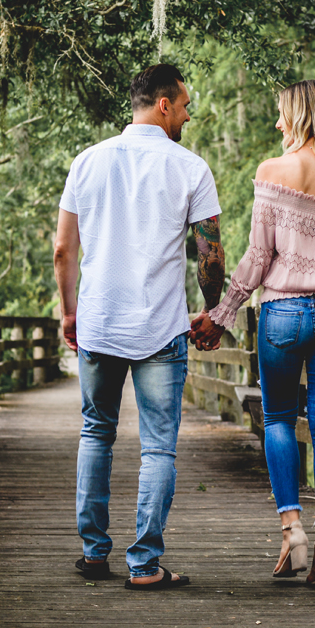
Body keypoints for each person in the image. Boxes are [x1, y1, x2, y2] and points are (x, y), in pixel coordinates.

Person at [192, 79, 315, 590]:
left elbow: (257, 259)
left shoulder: (273, 172)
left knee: (276, 418)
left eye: (281, 115)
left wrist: (221, 314)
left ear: (301, 116)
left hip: (284, 315)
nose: (277, 125)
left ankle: (292, 529)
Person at [53, 63, 225, 590]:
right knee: (158, 447)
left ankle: (92, 553)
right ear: (164, 104)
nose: (190, 115)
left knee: (96, 432)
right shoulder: (190, 168)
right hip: (160, 327)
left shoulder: (86, 162)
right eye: (186, 104)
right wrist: (210, 309)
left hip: (100, 323)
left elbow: (63, 248)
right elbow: (210, 254)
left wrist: (69, 311)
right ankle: (145, 565)